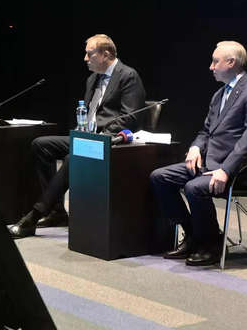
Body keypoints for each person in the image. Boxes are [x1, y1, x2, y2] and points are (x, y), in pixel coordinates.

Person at [9, 34, 146, 238]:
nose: (85, 58)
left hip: (112, 141)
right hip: (88, 137)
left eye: (90, 54)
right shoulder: (93, 78)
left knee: (72, 157)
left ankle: (35, 214)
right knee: (41, 145)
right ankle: (57, 212)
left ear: (105, 54)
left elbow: (130, 117)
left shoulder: (128, 75)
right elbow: (88, 113)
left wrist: (100, 136)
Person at [150, 41, 247, 266]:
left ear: (231, 62)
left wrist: (226, 169)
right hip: (210, 163)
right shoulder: (219, 95)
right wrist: (196, 147)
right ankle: (194, 236)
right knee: (160, 177)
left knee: (194, 187)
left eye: (215, 61)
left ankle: (213, 243)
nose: (211, 67)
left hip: (239, 169)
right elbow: (206, 131)